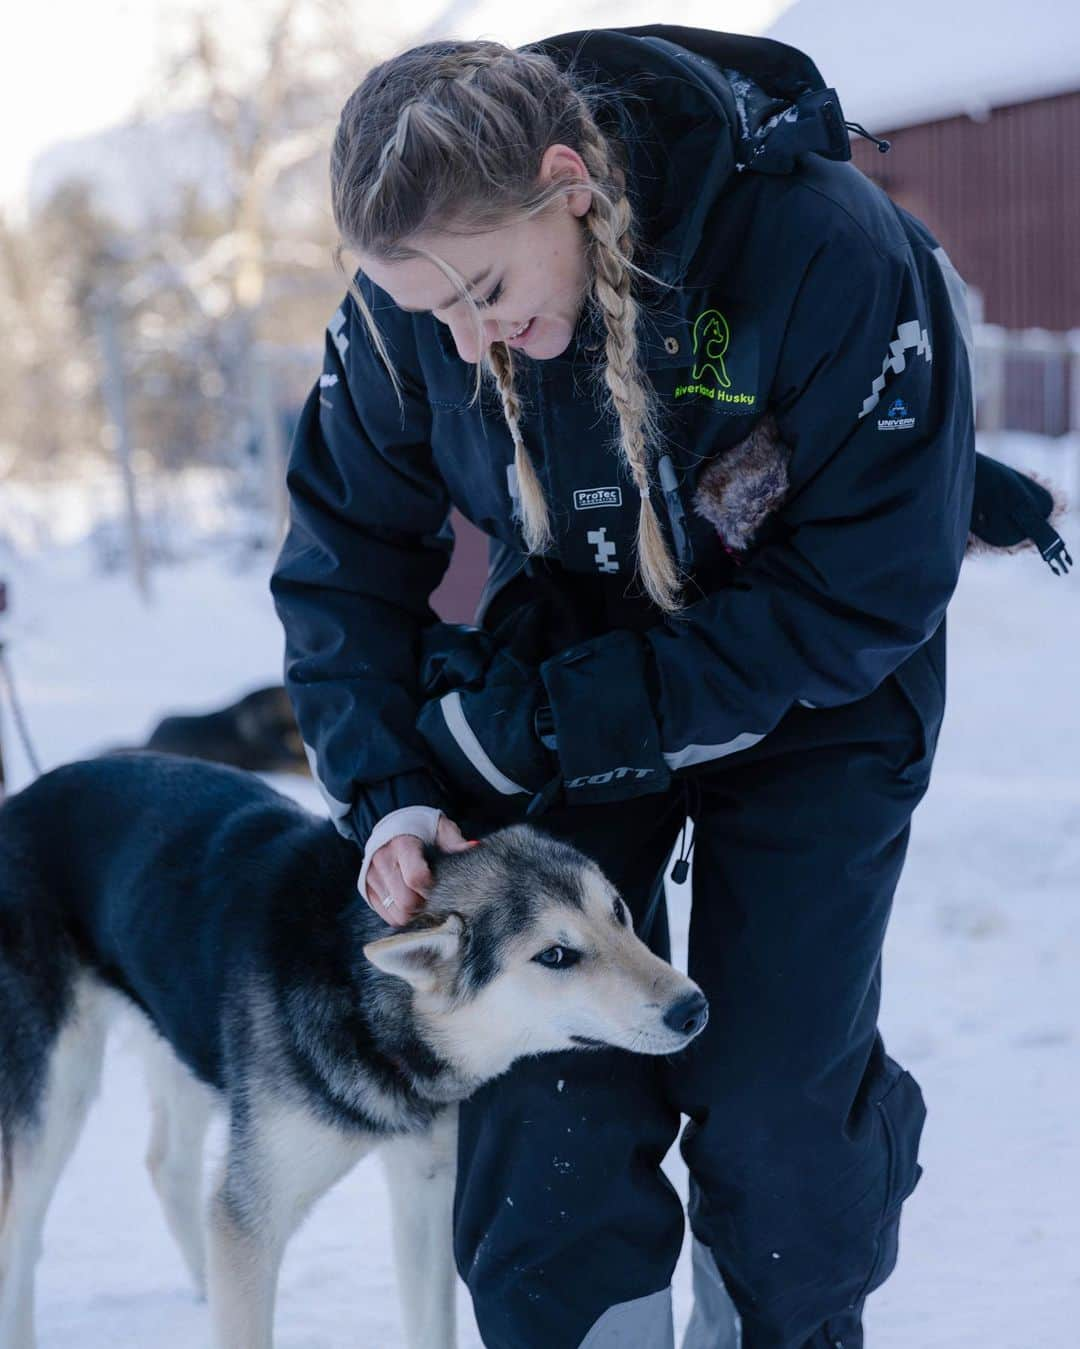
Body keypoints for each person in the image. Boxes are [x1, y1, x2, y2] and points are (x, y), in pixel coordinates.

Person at [270, 24, 1067, 1349]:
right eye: (431, 316)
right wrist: (392, 797)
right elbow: (342, 564)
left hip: (814, 683)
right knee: (551, 1082)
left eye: (483, 293)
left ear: (568, 181)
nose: (470, 345)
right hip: (571, 653)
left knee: (772, 1100)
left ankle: (779, 1323)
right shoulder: (407, 318)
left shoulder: (821, 247)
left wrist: (566, 716)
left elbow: (864, 595)